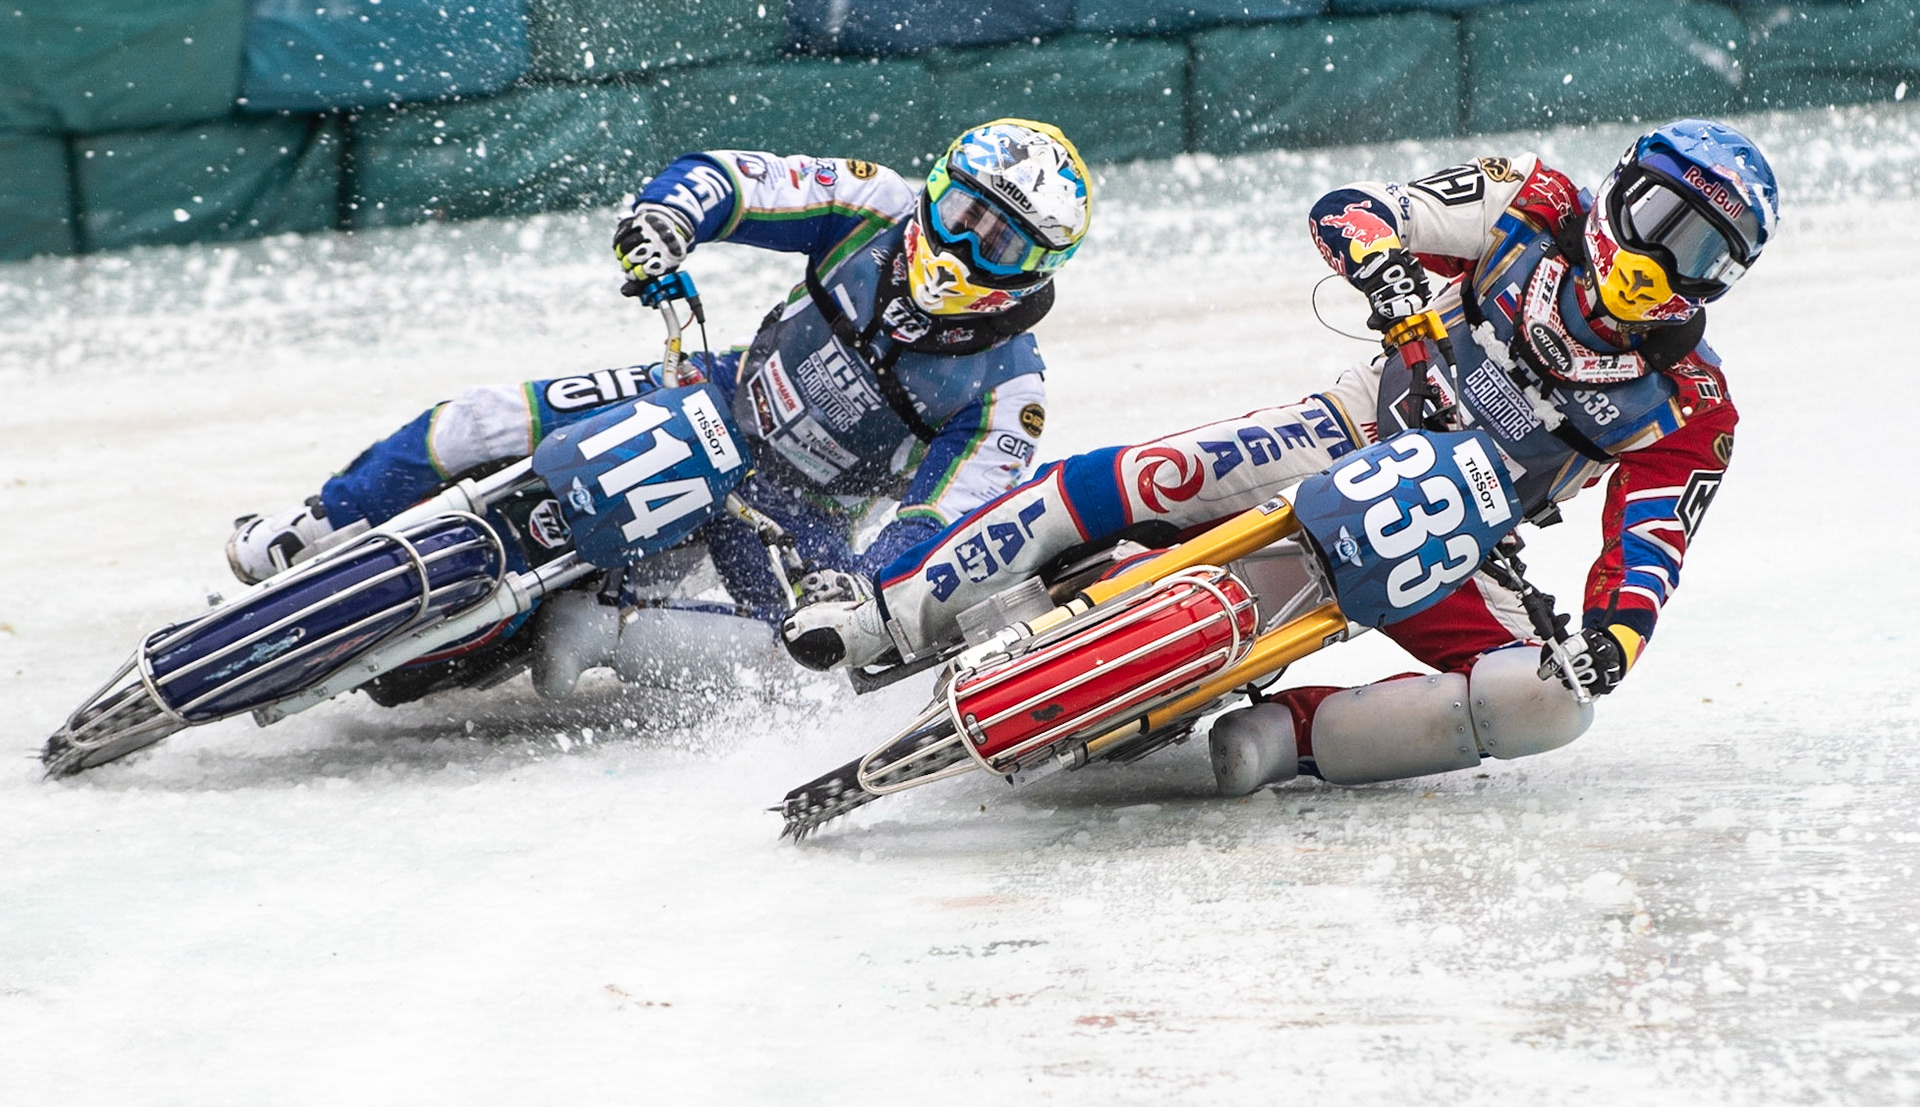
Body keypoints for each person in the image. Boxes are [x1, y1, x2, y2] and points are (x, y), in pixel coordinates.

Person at [784, 118, 1776, 791]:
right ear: (1620, 197)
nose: (1663, 264)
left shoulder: (1695, 403)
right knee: (1133, 479)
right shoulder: (1536, 200)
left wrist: (1615, 639)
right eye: (1661, 223)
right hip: (1351, 424)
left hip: (1459, 540)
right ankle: (881, 614)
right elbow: (1355, 208)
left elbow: (1653, 541)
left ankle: (1291, 736)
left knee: (1551, 709)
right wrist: (1386, 271)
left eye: (1705, 255)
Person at [225, 119, 1093, 696]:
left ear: (1040, 269)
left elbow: (943, 522)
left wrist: (863, 585)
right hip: (707, 390)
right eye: (963, 210)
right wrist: (666, 224)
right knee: (482, 419)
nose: (968, 242)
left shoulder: (1010, 395)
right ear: (935, 185)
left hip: (797, 515)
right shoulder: (872, 203)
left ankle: (600, 631)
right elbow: (735, 179)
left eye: (1004, 239)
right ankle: (318, 524)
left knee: (817, 664)